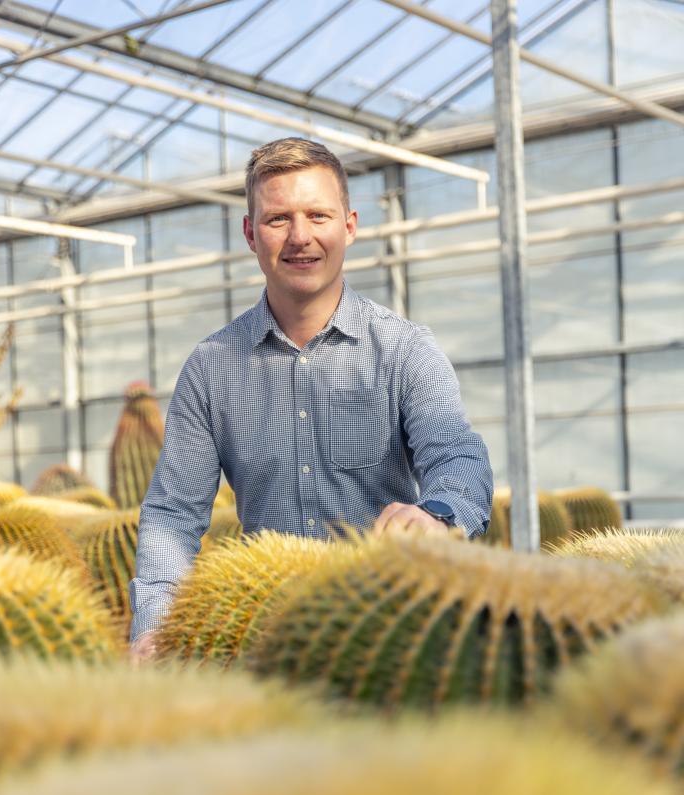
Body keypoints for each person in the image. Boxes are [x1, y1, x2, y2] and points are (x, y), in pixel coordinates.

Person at [130, 137, 492, 658]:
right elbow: (173, 513)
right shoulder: (212, 368)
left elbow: (456, 454)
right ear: (252, 234)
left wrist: (435, 515)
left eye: (318, 215)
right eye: (278, 220)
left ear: (349, 225)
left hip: (387, 637)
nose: (300, 237)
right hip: (262, 641)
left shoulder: (404, 350)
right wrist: (155, 625)